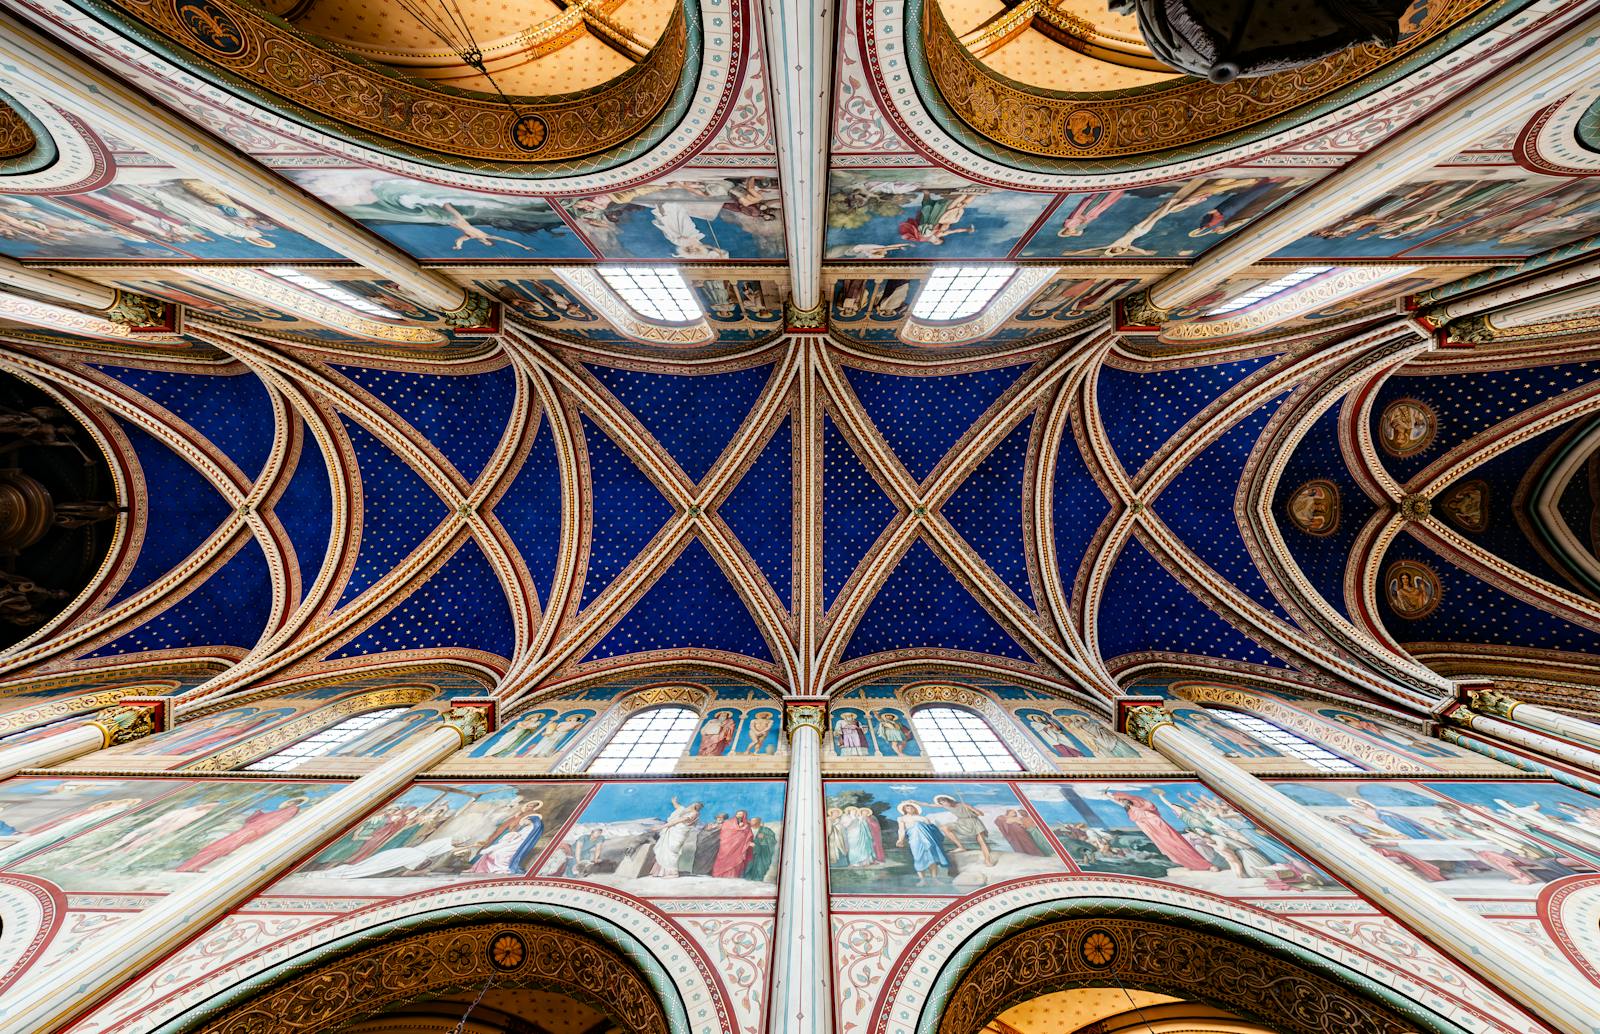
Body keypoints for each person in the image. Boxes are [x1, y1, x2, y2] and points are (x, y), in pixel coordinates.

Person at [176, 796, 309, 872]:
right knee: (216, 848)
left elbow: (271, 822)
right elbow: (259, 820)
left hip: (251, 832)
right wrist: (258, 814)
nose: (290, 804)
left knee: (220, 849)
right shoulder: (280, 812)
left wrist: (257, 824)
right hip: (248, 831)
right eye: (290, 802)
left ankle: (191, 867)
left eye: (292, 803)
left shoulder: (290, 810)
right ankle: (190, 866)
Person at [1106, 791, 1213, 871]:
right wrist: (1108, 796)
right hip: (1151, 831)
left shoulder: (1140, 808)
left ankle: (1201, 863)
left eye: (1124, 801)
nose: (1123, 803)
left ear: (1130, 801)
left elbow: (1152, 815)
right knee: (1168, 846)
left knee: (1175, 842)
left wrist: (1111, 796)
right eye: (1122, 802)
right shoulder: (1130, 811)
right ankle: (1189, 863)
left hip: (1158, 827)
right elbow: (1118, 802)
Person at [929, 794, 996, 867]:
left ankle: (987, 860)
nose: (943, 804)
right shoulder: (946, 806)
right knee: (944, 827)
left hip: (974, 822)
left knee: (981, 841)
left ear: (949, 800)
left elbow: (981, 814)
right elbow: (930, 805)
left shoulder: (963, 804)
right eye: (941, 803)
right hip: (961, 823)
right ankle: (961, 847)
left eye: (944, 801)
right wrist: (918, 803)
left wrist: (977, 812)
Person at [896, 802, 952, 883]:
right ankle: (922, 880)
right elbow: (901, 830)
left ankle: (934, 879)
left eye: (912, 807)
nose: (910, 809)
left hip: (928, 840)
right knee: (918, 858)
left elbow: (932, 829)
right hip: (914, 840)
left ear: (915, 808)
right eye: (908, 807)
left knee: (932, 858)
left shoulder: (922, 818)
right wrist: (900, 840)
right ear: (904, 809)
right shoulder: (902, 818)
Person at [651, 797, 702, 878]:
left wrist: (659, 827)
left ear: (695, 806)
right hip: (675, 832)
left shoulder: (694, 814)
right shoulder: (688, 812)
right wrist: (674, 802)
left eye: (693, 804)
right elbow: (679, 808)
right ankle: (661, 872)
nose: (690, 805)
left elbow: (676, 821)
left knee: (672, 852)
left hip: (678, 833)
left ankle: (673, 873)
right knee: (666, 851)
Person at [711, 811, 755, 878]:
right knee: (724, 859)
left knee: (736, 860)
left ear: (744, 816)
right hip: (727, 845)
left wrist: (747, 842)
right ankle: (719, 874)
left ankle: (733, 876)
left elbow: (748, 835)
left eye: (741, 814)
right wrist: (738, 828)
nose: (739, 815)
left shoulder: (747, 825)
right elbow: (724, 832)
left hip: (739, 847)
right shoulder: (729, 822)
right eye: (738, 814)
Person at [745, 817, 777, 881]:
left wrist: (764, 837)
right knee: (748, 868)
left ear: (758, 822)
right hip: (749, 853)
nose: (751, 822)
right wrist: (747, 844)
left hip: (762, 853)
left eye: (754, 821)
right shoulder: (747, 830)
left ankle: (758, 880)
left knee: (759, 868)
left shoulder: (766, 830)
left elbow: (773, 840)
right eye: (751, 820)